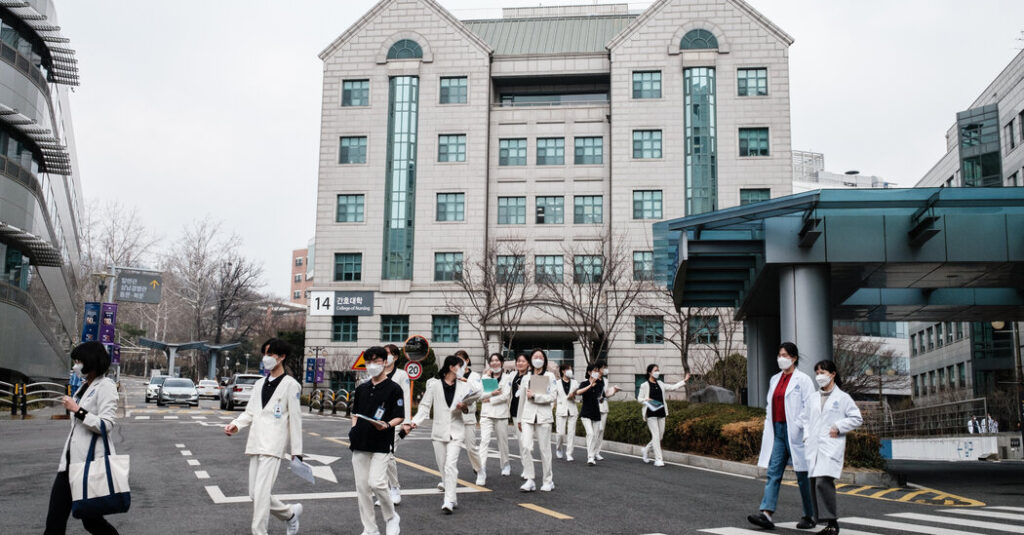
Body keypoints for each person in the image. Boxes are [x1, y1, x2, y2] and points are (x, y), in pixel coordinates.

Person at [225, 338, 304, 535]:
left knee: (261, 494)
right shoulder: (259, 383)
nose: (266, 358)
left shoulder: (291, 385)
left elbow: (295, 420)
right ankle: (289, 514)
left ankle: (259, 532)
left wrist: (297, 452)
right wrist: (236, 425)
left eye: (270, 354)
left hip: (273, 445)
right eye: (264, 354)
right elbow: (250, 412)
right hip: (255, 442)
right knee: (255, 494)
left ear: (282, 357)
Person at [46, 342, 121, 535]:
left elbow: (106, 424)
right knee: (55, 523)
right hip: (69, 464)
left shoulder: (106, 386)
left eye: (79, 361)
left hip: (89, 464)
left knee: (92, 521)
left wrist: (77, 410)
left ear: (90, 361)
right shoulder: (84, 386)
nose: (75, 365)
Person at [748, 342, 816, 531]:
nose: (781, 358)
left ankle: (809, 515)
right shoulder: (775, 379)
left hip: (797, 433)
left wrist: (800, 425)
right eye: (779, 355)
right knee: (773, 472)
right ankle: (766, 514)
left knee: (802, 475)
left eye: (785, 355)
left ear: (794, 358)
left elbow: (810, 407)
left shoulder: (803, 380)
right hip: (777, 431)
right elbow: (770, 407)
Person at [404, 356, 480, 513]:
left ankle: (448, 500)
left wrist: (464, 407)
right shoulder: (434, 386)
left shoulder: (464, 386)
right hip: (439, 432)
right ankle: (452, 496)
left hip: (456, 431)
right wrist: (414, 422)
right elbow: (424, 407)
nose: (463, 370)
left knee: (451, 465)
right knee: (443, 467)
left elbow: (472, 406)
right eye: (460, 367)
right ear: (451, 367)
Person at [348, 346, 404, 535]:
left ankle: (391, 517)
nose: (372, 365)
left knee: (377, 483)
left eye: (376, 361)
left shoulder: (394, 389)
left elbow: (399, 416)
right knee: (362, 488)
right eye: (369, 361)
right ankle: (370, 529)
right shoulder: (362, 388)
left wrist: (387, 425)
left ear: (385, 362)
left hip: (381, 443)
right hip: (360, 443)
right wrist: (354, 428)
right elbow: (355, 413)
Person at [806, 360, 862, 535]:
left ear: (833, 374)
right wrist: (806, 437)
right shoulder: (812, 398)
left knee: (823, 482)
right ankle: (825, 522)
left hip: (831, 446)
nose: (819, 376)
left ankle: (832, 522)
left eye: (822, 372)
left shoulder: (843, 398)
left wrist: (838, 426)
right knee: (814, 484)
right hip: (813, 447)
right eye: (817, 373)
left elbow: (857, 418)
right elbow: (805, 419)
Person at [516, 349, 558, 492]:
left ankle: (548, 480)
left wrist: (535, 396)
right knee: (526, 446)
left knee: (544, 450)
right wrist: (519, 418)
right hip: (527, 416)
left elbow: (553, 396)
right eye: (535, 357)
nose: (538, 359)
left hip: (544, 417)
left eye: (541, 357)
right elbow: (522, 399)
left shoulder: (550, 376)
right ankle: (530, 479)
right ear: (531, 360)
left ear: (544, 360)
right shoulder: (526, 377)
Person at [637, 364, 690, 466]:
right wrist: (645, 399)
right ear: (650, 372)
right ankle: (658, 459)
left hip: (661, 412)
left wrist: (684, 381)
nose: (658, 372)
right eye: (655, 370)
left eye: (658, 370)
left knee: (660, 436)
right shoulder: (644, 385)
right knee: (656, 436)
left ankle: (646, 450)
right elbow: (639, 398)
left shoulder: (660, 383)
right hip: (651, 413)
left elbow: (673, 387)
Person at [476, 352, 513, 486]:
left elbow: (506, 396)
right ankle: (481, 470)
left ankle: (505, 464)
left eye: (497, 360)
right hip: (486, 414)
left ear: (501, 363)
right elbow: (480, 395)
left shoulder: (507, 378)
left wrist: (490, 399)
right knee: (484, 441)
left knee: (502, 442)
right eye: (492, 361)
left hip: (501, 414)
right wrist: (491, 394)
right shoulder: (485, 377)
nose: (495, 363)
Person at [381, 344, 410, 506]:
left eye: (388, 354)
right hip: (378, 422)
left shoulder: (401, 375)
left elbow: (406, 397)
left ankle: (395, 488)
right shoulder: (378, 372)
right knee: (380, 456)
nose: (386, 357)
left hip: (395, 420)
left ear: (396, 357)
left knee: (388, 454)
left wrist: (407, 422)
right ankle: (384, 492)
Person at [455, 350, 483, 477]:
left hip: (468, 415)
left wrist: (465, 380)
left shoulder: (474, 376)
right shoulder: (452, 374)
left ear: (467, 360)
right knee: (450, 448)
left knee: (471, 447)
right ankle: (447, 478)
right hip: (454, 417)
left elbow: (479, 392)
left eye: (461, 360)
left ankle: (479, 469)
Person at [576, 363, 609, 466]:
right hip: (585, 413)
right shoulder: (584, 383)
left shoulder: (599, 384)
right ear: (589, 372)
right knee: (590, 433)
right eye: (594, 371)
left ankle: (592, 455)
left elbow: (602, 397)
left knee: (595, 435)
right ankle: (590, 457)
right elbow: (578, 392)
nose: (596, 372)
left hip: (596, 413)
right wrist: (590, 385)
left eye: (597, 371)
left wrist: (612, 393)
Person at [508, 353, 529, 479]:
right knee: (521, 442)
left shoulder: (530, 377)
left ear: (528, 363)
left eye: (523, 361)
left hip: (527, 413)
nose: (520, 363)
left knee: (525, 442)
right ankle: (526, 467)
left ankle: (527, 468)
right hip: (515, 412)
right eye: (518, 361)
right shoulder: (512, 375)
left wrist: (524, 391)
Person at [595, 361, 621, 460]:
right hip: (595, 406)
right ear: (598, 369)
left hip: (604, 407)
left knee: (601, 431)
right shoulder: (593, 378)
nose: (606, 370)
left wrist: (614, 391)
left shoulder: (605, 380)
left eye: (606, 367)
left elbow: (605, 394)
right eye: (604, 367)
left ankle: (597, 452)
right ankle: (591, 451)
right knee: (597, 430)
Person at [553, 363, 579, 462]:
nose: (570, 371)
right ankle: (559, 448)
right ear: (563, 371)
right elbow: (553, 396)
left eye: (571, 369)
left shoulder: (575, 383)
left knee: (571, 433)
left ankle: (569, 453)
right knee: (560, 433)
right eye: (568, 369)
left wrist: (573, 396)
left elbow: (578, 394)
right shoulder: (557, 383)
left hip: (572, 409)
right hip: (561, 410)